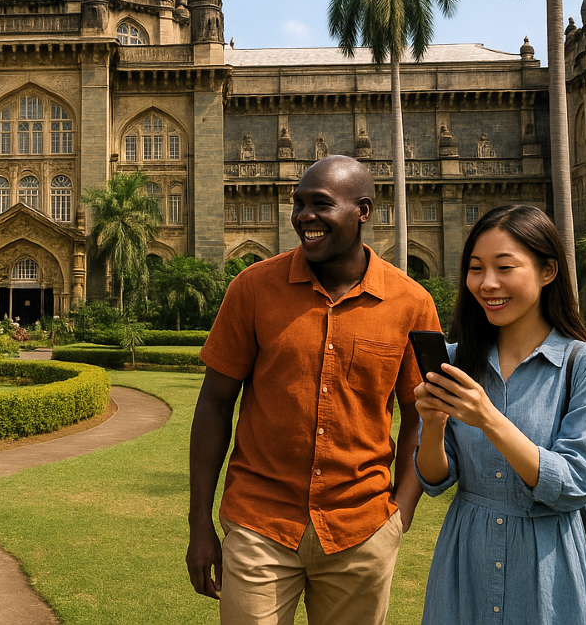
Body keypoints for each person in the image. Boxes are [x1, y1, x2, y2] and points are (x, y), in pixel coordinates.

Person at [188, 155, 441, 625]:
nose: (304, 216)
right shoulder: (254, 288)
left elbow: (420, 415)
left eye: (321, 204)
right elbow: (214, 404)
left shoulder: (410, 302)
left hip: (360, 528)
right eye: (298, 203)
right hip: (260, 523)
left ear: (363, 211)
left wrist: (399, 514)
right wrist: (199, 522)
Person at [414, 204, 586, 625]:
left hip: (549, 563)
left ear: (548, 271)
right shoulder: (457, 361)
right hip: (464, 556)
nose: (487, 283)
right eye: (476, 268)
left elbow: (576, 483)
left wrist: (488, 417)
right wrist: (434, 426)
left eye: (504, 267)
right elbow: (436, 480)